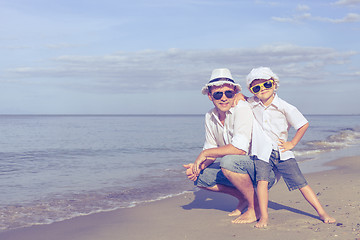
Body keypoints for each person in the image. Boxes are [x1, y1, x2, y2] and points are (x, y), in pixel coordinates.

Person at [245, 66, 336, 228]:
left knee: (301, 182)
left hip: (282, 151)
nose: (262, 90)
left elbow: (303, 124)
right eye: (256, 87)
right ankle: (264, 217)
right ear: (252, 90)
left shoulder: (285, 106)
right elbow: (241, 98)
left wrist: (292, 143)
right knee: (262, 181)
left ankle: (322, 212)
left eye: (267, 84)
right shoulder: (252, 103)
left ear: (275, 84)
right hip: (261, 152)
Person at [183, 68, 276, 224]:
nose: (224, 98)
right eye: (218, 94)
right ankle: (244, 198)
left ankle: (255, 208)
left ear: (234, 93)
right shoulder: (210, 116)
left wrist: (204, 154)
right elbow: (211, 149)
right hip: (238, 169)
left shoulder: (242, 108)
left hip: (263, 173)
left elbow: (239, 149)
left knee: (228, 162)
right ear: (210, 96)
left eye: (228, 93)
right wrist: (198, 165)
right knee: (200, 177)